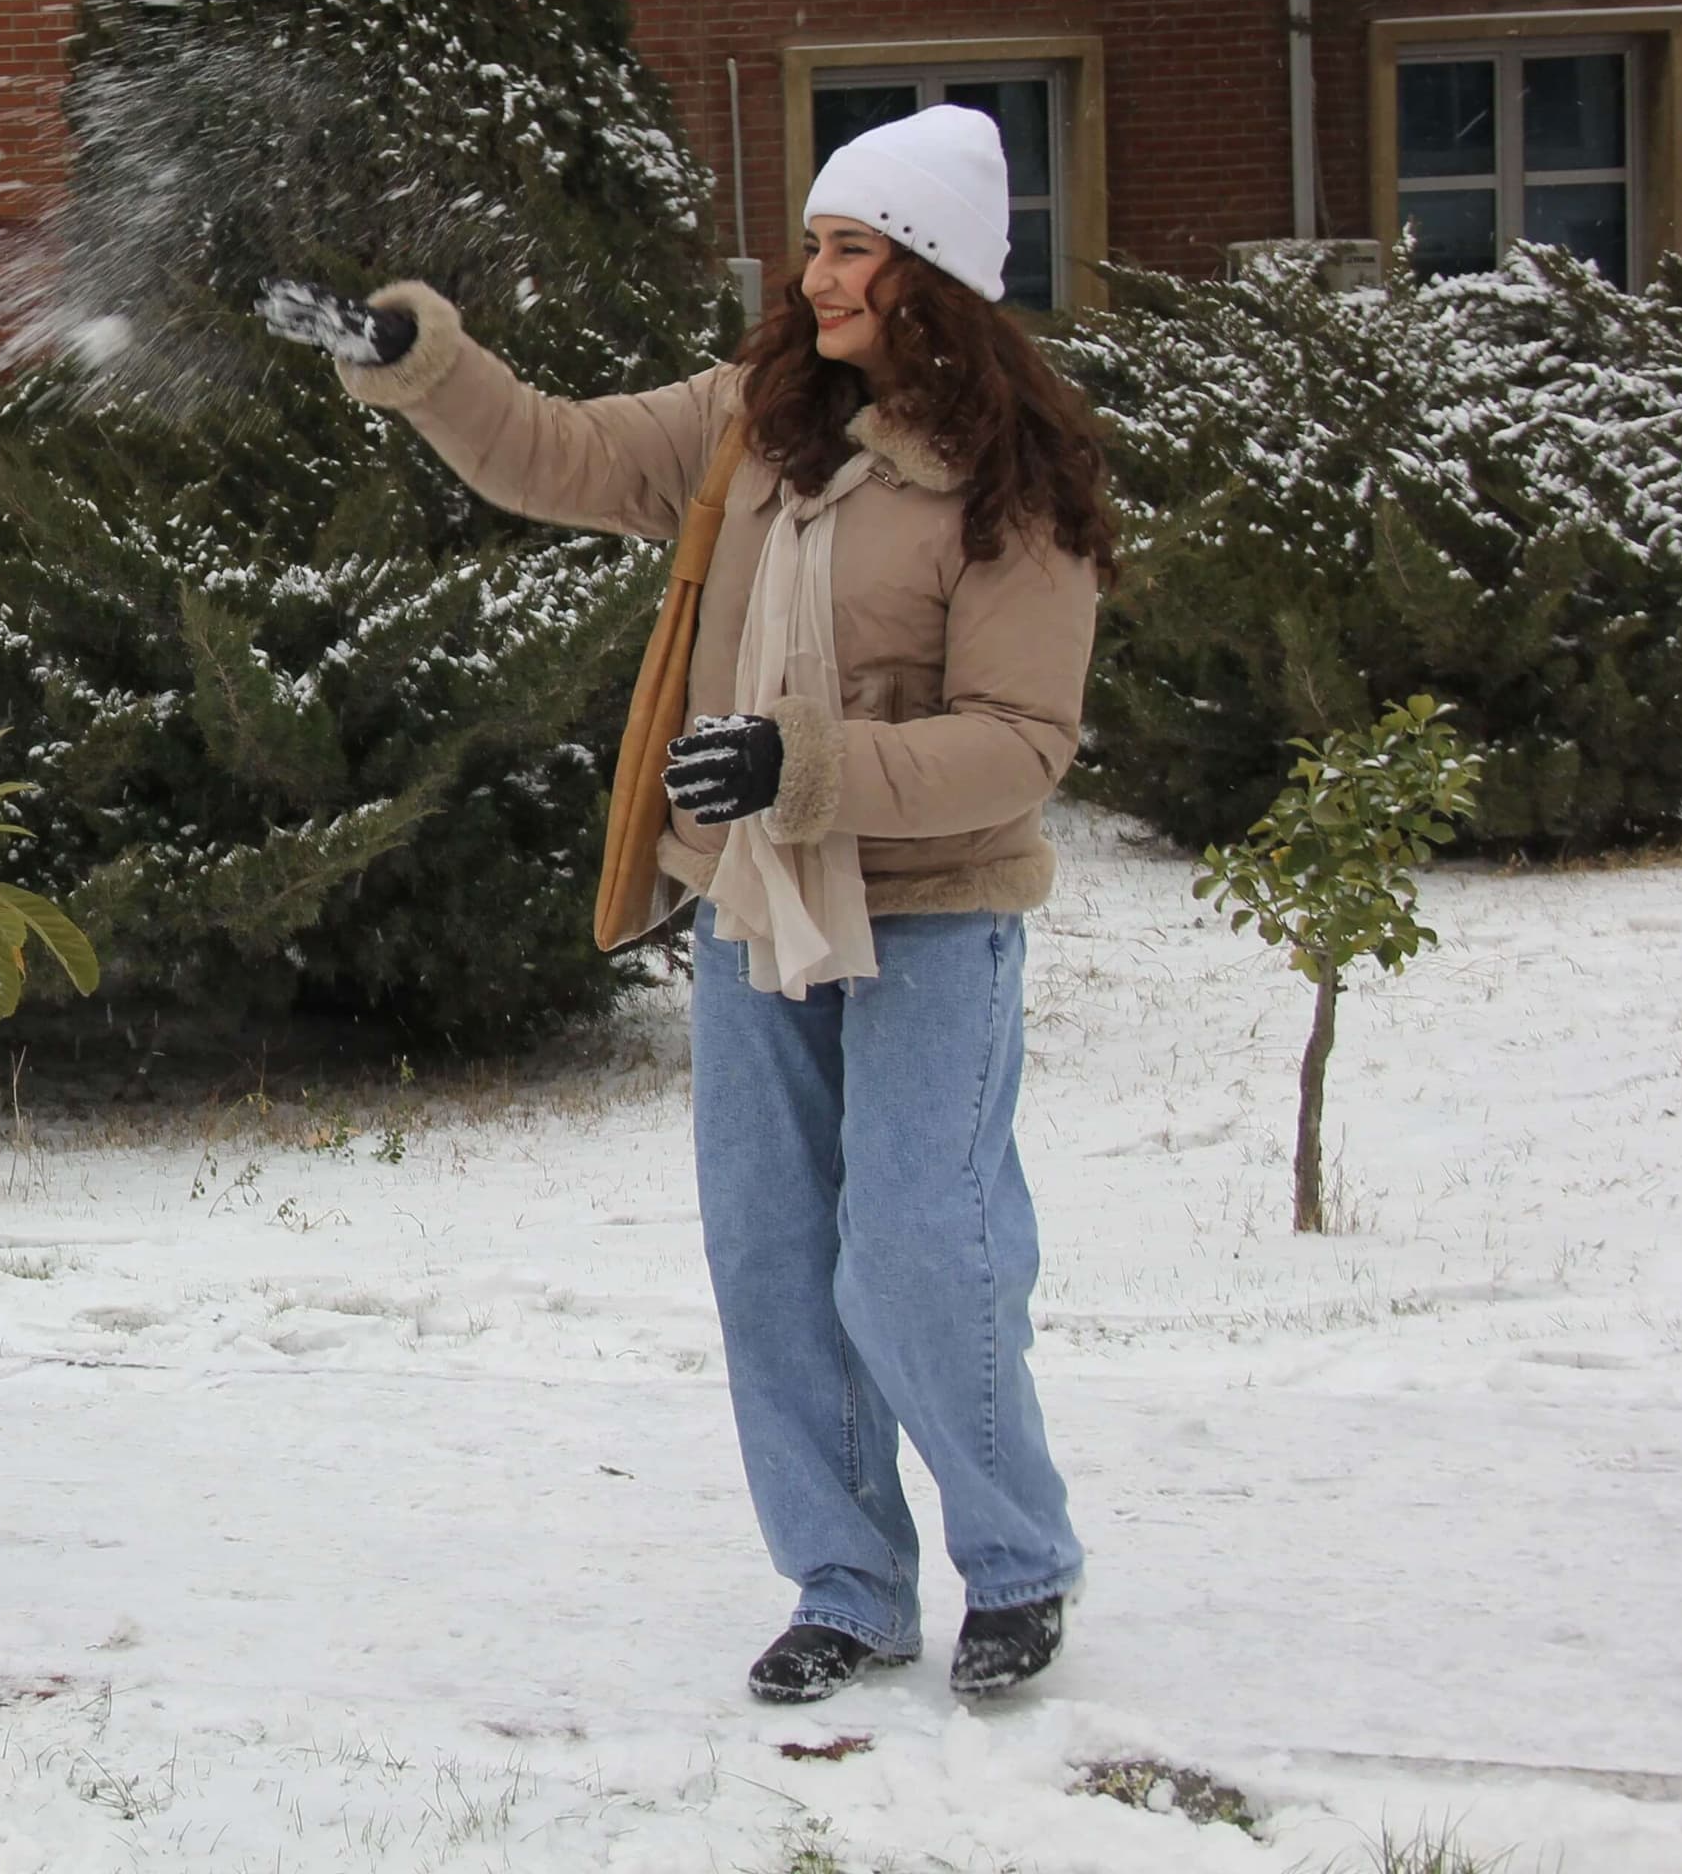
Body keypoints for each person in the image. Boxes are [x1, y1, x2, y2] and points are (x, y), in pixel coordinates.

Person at [328, 105, 1116, 1705]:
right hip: (758, 908)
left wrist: (806, 764)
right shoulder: (750, 424)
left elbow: (1021, 747)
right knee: (769, 1255)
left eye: (851, 248)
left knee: (914, 1248)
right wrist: (415, 358)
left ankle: (1016, 1563)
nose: (814, 274)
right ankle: (848, 1584)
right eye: (816, 242)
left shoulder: (1012, 488)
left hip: (932, 913)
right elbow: (558, 451)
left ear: (935, 278)